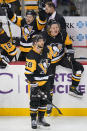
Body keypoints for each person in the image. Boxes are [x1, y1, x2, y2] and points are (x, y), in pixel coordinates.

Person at [42, 19, 84, 115]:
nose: (56, 29)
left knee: (79, 68)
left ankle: (73, 88)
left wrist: (70, 56)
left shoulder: (63, 34)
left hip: (61, 58)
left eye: (57, 27)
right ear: (49, 29)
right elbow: (38, 48)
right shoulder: (44, 36)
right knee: (49, 83)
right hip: (50, 62)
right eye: (53, 28)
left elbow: (69, 45)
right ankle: (49, 103)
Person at [25, 34, 50, 129]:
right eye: (40, 41)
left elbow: (48, 65)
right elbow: (28, 73)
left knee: (43, 102)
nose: (42, 42)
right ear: (35, 42)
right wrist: (33, 84)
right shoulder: (31, 54)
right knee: (34, 102)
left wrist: (48, 78)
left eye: (42, 40)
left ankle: (41, 119)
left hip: (45, 82)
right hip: (35, 84)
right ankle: (33, 120)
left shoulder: (45, 52)